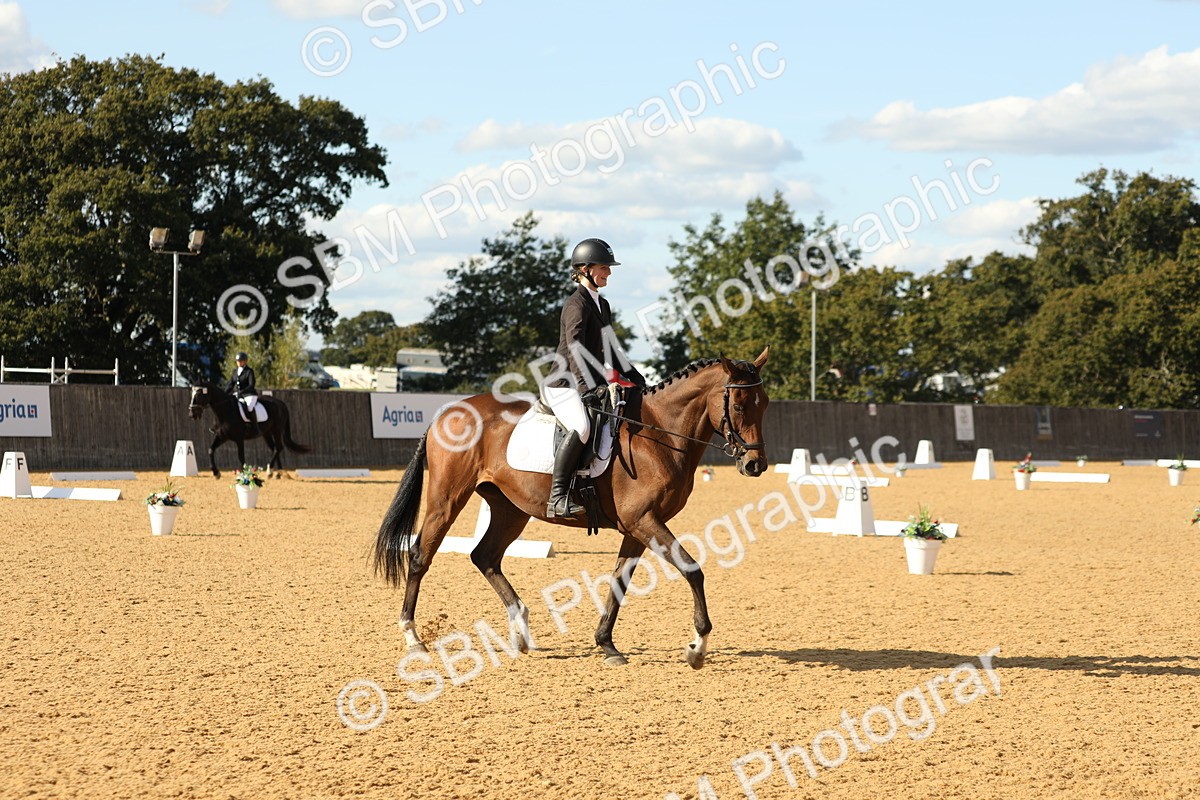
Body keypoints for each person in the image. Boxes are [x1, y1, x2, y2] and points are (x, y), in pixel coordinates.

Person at [542, 238, 647, 519]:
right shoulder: (576, 304)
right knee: (582, 426)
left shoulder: (603, 305)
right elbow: (575, 348)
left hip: (590, 383)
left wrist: (637, 379)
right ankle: (558, 497)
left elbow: (612, 349)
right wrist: (586, 387)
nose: (609, 272)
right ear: (585, 269)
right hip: (565, 384)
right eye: (604, 267)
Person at [225, 352, 261, 436]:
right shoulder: (235, 371)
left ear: (245, 361)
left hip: (249, 395)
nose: (239, 363)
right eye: (237, 361)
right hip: (238, 395)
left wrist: (241, 392)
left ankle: (255, 427)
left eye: (240, 361)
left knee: (249, 407)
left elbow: (251, 385)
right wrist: (224, 393)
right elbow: (231, 384)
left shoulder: (249, 371)